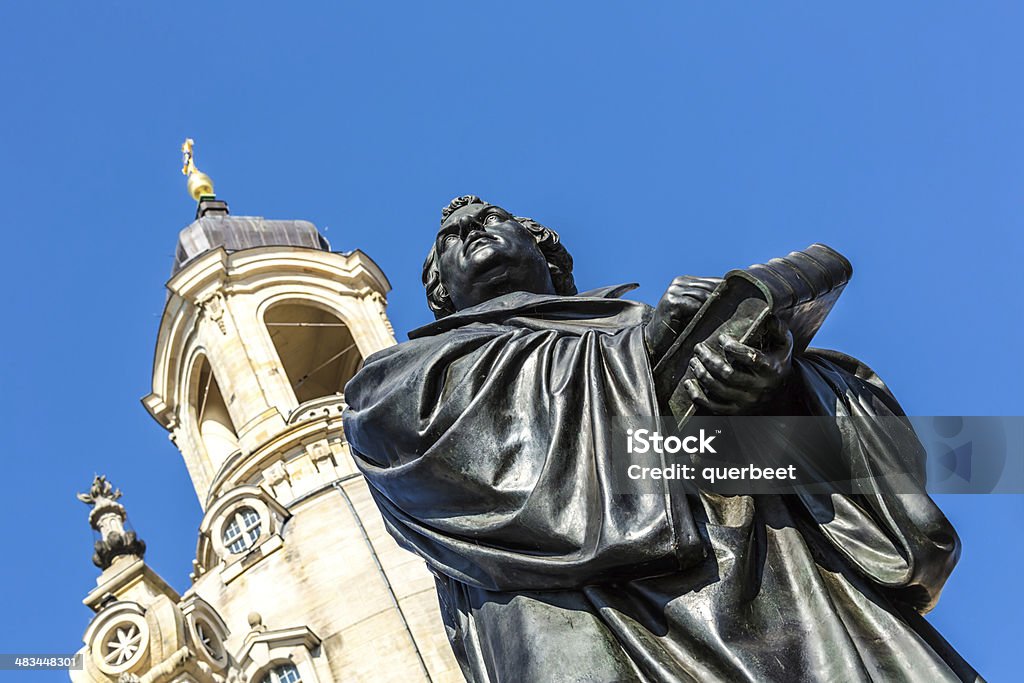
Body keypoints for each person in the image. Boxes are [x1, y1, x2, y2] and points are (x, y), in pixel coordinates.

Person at [342, 196, 979, 682]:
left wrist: (776, 384)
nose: (471, 230)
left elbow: (825, 453)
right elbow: (447, 449)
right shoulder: (403, 376)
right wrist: (637, 357)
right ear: (441, 294)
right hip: (582, 611)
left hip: (772, 575)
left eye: (493, 219)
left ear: (550, 256)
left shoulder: (649, 322)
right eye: (451, 238)